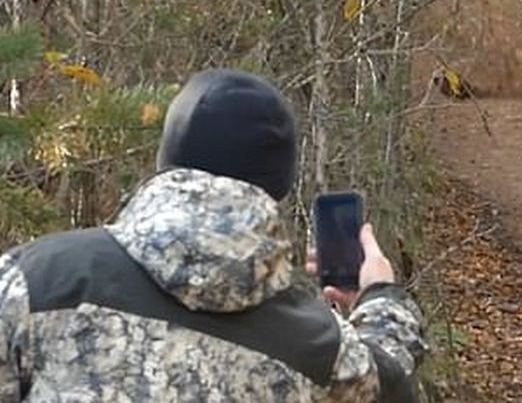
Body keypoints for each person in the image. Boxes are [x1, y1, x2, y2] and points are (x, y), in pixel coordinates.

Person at [0, 69, 425, 401]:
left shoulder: (33, 283)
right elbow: (386, 381)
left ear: (167, 157)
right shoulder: (321, 346)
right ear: (277, 184)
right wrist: (380, 297)